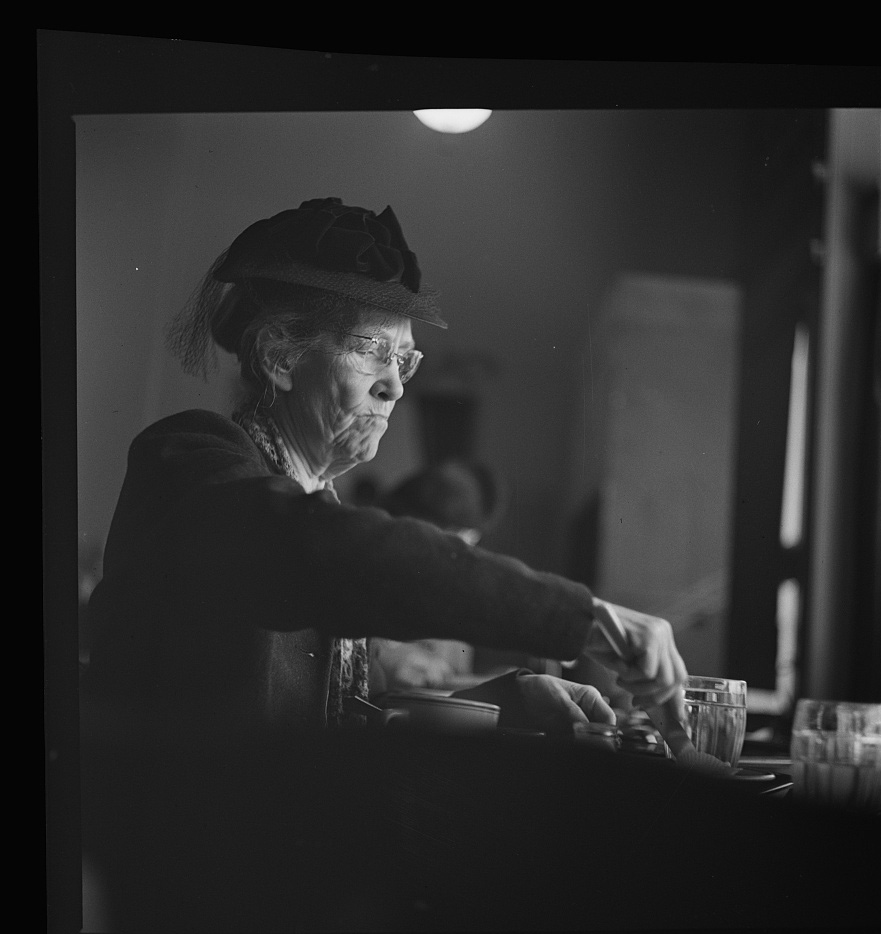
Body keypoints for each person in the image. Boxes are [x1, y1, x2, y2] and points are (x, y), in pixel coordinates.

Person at [86, 196, 691, 748]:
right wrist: (577, 616)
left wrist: (499, 701)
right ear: (279, 357)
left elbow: (354, 720)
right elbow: (312, 548)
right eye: (374, 352)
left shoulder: (323, 500)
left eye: (405, 359)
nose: (396, 385)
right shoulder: (190, 458)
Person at [368, 459, 506, 692]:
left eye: (468, 543)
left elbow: (452, 681)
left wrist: (496, 684)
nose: (456, 559)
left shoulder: (456, 601)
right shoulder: (363, 568)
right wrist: (383, 662)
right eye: (449, 541)